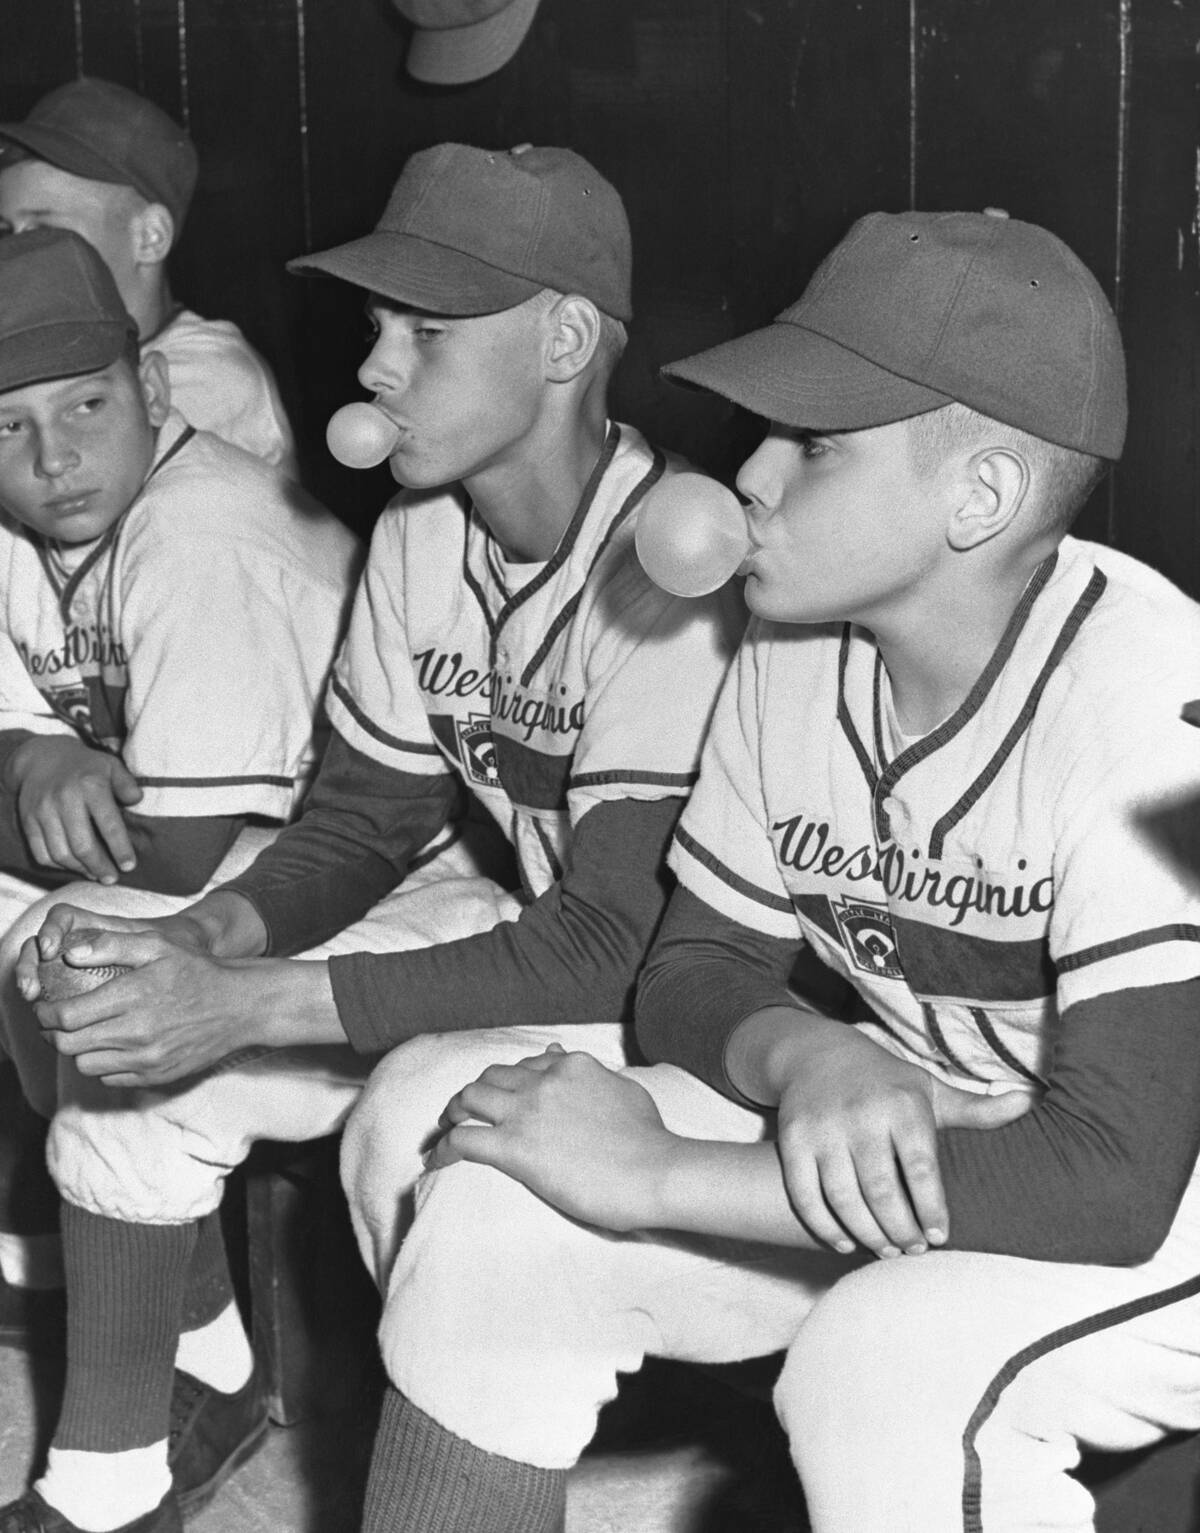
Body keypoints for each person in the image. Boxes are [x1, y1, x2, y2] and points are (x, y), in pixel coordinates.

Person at [371, 209, 1200, 1533]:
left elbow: (1117, 1178)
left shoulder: (1160, 704)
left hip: (1167, 1190)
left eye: (813, 446)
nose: (749, 474)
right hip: (960, 1118)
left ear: (977, 494)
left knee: (885, 1370)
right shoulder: (797, 645)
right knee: (494, 1206)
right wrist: (815, 1059)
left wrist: (655, 1176)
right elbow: (694, 970)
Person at [5, 142, 743, 1533]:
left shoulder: (666, 566)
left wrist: (257, 996)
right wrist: (194, 944)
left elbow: (615, 944)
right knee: (113, 989)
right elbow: (363, 820)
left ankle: (484, 1453)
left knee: (418, 1119)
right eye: (380, 325)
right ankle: (127, 1461)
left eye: (430, 331)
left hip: (671, 998)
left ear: (567, 340)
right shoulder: (422, 524)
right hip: (516, 911)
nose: (381, 366)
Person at [0, 225, 360, 1531]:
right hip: (191, 846)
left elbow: (179, 851)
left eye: (86, 404)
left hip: (340, 867)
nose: (52, 458)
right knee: (57, 932)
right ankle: (200, 1339)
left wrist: (35, 770)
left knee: (96, 962)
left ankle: (110, 1478)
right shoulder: (20, 517)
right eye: (7, 425)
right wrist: (25, 755)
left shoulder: (204, 529)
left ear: (151, 392)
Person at [0, 76, 296, 470]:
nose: (19, 253)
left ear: (150, 237)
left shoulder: (208, 373)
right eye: (5, 232)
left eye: (47, 231)